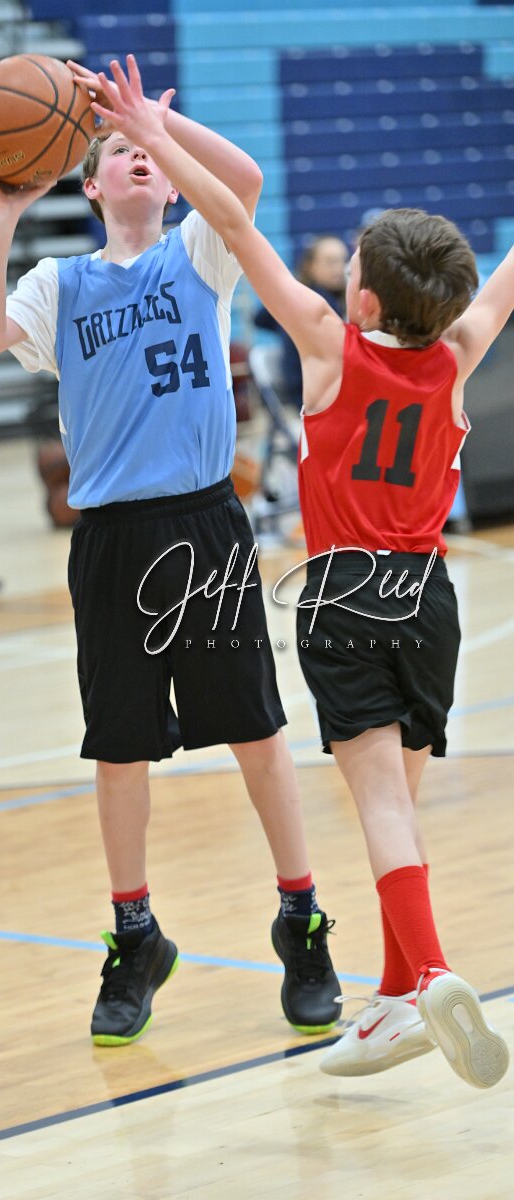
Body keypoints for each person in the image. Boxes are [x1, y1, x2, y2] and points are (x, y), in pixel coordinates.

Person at [94, 56, 511, 1087]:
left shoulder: (329, 348)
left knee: (377, 806)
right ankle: (395, 994)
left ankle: (432, 971)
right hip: (430, 597)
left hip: (346, 594)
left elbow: (234, 225)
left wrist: (155, 130)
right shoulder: (458, 353)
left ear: (359, 292)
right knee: (400, 801)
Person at [0, 60, 341, 1047]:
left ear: (169, 184)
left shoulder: (199, 253)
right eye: (117, 153)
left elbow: (245, 183)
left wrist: (158, 126)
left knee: (256, 731)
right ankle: (135, 937)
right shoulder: (59, 282)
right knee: (120, 748)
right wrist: (2, 212)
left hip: (204, 523)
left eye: (148, 156)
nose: (135, 159)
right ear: (88, 185)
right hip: (110, 538)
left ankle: (300, 919)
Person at [253, 235, 347, 408]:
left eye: (342, 261)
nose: (339, 269)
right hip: (311, 393)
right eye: (330, 262)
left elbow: (259, 318)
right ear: (311, 266)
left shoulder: (297, 295)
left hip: (301, 388)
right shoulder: (323, 302)